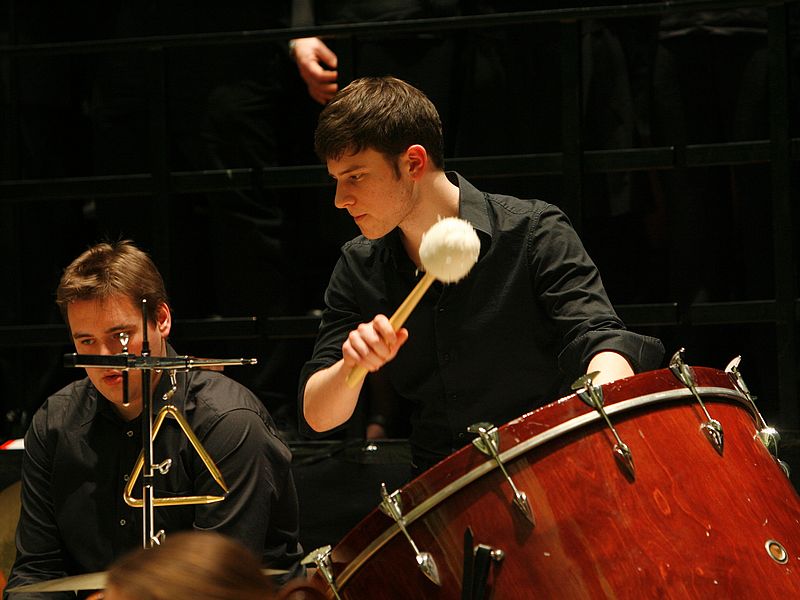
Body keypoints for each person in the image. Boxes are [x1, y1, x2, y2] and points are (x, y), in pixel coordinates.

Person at [298, 76, 665, 474]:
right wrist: (352, 366)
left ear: (413, 162)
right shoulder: (359, 264)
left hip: (545, 465)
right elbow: (318, 417)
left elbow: (600, 340)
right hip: (440, 485)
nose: (340, 200)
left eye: (355, 176)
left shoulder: (534, 231)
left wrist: (597, 413)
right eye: (336, 180)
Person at [5, 241, 303, 600]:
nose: (104, 357)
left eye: (120, 337)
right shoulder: (53, 423)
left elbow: (219, 585)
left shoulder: (228, 422)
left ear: (162, 320)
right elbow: (36, 572)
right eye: (86, 341)